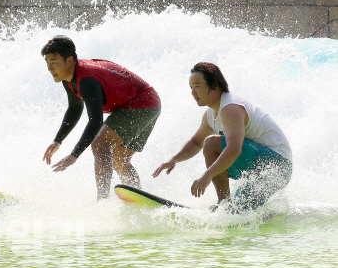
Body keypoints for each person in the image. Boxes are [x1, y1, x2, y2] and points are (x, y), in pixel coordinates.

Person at [152, 62, 292, 213]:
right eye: (191, 87)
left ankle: (223, 203)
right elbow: (195, 142)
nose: (193, 92)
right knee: (239, 215)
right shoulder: (211, 114)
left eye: (197, 86)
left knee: (212, 143)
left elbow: (234, 149)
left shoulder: (231, 108)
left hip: (276, 165)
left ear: (215, 86)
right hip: (266, 172)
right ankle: (230, 208)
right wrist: (174, 159)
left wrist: (207, 175)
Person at [41, 36, 161, 200]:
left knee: (99, 143)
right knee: (120, 160)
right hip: (148, 104)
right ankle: (140, 200)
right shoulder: (68, 78)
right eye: (47, 62)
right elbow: (75, 108)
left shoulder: (87, 81)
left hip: (141, 103)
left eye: (54, 61)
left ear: (70, 61)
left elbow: (95, 120)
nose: (49, 67)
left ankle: (102, 201)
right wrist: (58, 140)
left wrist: (74, 155)